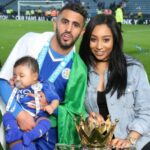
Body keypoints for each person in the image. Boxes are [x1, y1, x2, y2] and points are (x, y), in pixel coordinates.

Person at [0, 3, 88, 150]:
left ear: (82, 31)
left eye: (76, 25)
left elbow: (75, 112)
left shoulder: (79, 69)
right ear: (55, 23)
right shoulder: (30, 41)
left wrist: (52, 107)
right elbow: (3, 80)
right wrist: (20, 114)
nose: (68, 29)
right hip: (19, 125)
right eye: (64, 22)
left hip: (49, 134)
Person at [79, 14, 150, 150]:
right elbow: (74, 108)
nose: (99, 46)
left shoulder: (134, 69)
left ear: (115, 40)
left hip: (136, 143)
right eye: (93, 40)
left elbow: (146, 112)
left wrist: (130, 140)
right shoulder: (81, 70)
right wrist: (89, 119)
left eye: (106, 40)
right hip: (96, 145)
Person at [3, 56, 60, 149]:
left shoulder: (43, 86)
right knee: (7, 115)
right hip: (20, 116)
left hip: (37, 117)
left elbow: (55, 98)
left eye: (21, 76)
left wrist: (52, 107)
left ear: (34, 76)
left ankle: (30, 135)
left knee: (46, 122)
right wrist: (11, 85)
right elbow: (11, 96)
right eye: (15, 75)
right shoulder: (17, 88)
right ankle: (13, 132)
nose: (17, 78)